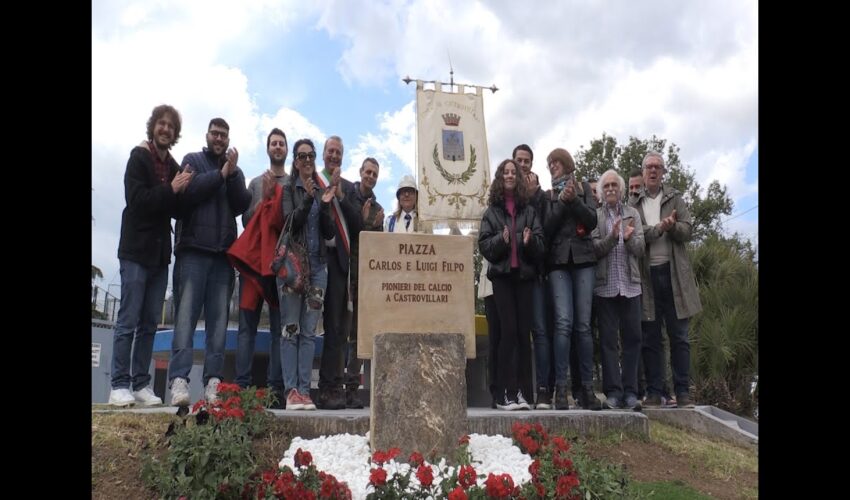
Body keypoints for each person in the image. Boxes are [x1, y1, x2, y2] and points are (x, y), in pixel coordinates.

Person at [108, 104, 192, 407]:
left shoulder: (172, 165)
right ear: (153, 127)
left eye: (171, 126)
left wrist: (183, 192)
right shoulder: (138, 157)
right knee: (128, 319)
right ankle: (119, 384)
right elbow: (138, 200)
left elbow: (172, 207)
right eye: (162, 124)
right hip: (134, 251)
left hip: (159, 255)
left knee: (149, 323)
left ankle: (141, 383)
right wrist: (171, 189)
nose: (166, 129)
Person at [168, 118, 252, 407]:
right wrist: (221, 173)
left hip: (222, 256)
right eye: (215, 134)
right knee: (185, 319)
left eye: (224, 135)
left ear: (228, 140)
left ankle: (213, 381)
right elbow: (188, 193)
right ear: (207, 135)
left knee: (218, 324)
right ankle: (179, 379)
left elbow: (241, 205)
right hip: (193, 251)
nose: (219, 139)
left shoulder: (235, 170)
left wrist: (232, 175)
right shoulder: (192, 160)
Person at [630, 151, 702, 408]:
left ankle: (682, 392)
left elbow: (688, 230)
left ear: (663, 172)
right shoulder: (634, 203)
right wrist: (660, 228)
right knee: (651, 337)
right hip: (647, 278)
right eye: (648, 166)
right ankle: (653, 392)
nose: (652, 171)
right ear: (643, 170)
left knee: (679, 336)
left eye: (657, 167)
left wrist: (673, 227)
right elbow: (636, 234)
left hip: (674, 276)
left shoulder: (676, 199)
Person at [478, 159, 544, 411]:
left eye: (513, 172)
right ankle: (505, 393)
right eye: (505, 172)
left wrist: (529, 242)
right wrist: (501, 240)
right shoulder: (492, 212)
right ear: (499, 177)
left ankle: (524, 393)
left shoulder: (528, 210)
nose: (509, 175)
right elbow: (484, 245)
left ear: (518, 177)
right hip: (503, 278)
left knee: (522, 333)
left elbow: (540, 243)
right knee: (508, 332)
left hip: (524, 277)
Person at [540, 148, 602, 410]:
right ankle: (561, 389)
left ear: (567, 164)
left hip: (584, 261)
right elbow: (547, 228)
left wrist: (574, 200)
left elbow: (592, 221)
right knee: (563, 323)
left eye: (556, 162)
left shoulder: (584, 189)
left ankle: (587, 388)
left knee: (584, 326)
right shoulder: (548, 195)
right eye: (550, 163)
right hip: (557, 264)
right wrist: (563, 202)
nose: (553, 166)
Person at [278, 138, 337, 410]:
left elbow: (329, 233)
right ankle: (291, 390)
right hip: (294, 269)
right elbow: (290, 222)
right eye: (302, 156)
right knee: (291, 329)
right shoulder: (289, 189)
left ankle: (304, 391)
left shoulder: (322, 189)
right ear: (295, 161)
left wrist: (324, 206)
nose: (307, 160)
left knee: (309, 333)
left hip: (318, 270)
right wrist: (309, 200)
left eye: (311, 156)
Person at [232, 128, 289, 407]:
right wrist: (265, 199)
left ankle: (275, 389)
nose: (277, 147)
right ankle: (242, 387)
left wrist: (274, 201)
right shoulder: (255, 183)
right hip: (253, 266)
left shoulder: (291, 184)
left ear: (286, 150)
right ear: (268, 149)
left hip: (279, 268)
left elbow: (290, 223)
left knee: (280, 330)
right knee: (247, 329)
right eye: (273, 143)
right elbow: (247, 220)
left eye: (281, 143)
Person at [591, 169, 645, 411]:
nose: (611, 189)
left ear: (621, 190)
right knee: (609, 342)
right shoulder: (596, 216)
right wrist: (614, 237)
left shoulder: (633, 213)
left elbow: (641, 248)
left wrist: (630, 238)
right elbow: (594, 250)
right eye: (607, 186)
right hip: (605, 288)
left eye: (615, 185)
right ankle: (613, 392)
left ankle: (631, 393)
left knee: (633, 340)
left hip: (631, 286)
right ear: (601, 192)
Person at [316, 136, 361, 410]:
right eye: (330, 151)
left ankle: (332, 386)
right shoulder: (314, 180)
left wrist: (341, 198)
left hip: (339, 264)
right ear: (323, 154)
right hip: (315, 260)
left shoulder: (347, 188)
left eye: (338, 152)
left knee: (336, 328)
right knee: (307, 328)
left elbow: (356, 225)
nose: (334, 156)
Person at [512, 144, 552, 409]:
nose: (523, 165)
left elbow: (546, 230)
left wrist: (534, 193)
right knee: (516, 333)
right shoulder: (504, 191)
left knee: (539, 331)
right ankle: (517, 390)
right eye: (519, 160)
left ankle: (543, 389)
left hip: (534, 272)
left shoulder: (541, 196)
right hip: (511, 274)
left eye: (527, 161)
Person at [344, 157, 385, 408]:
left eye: (374, 174)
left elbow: (377, 246)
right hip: (343, 274)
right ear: (360, 172)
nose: (370, 176)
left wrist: (376, 226)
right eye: (367, 172)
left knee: (357, 338)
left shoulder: (378, 208)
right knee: (339, 333)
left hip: (364, 280)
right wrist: (363, 220)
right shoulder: (348, 196)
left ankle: (351, 388)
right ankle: (334, 386)